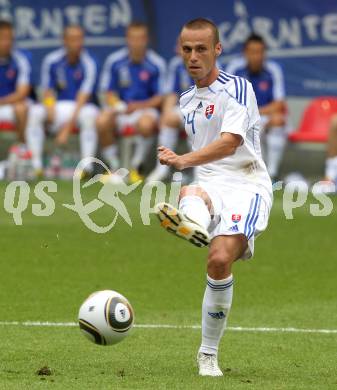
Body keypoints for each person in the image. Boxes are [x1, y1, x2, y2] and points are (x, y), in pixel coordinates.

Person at [154, 19, 272, 377]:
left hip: (247, 184)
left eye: (201, 49)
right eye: (187, 49)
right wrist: (190, 166)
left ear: (217, 50)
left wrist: (181, 160)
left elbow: (230, 142)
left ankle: (208, 354)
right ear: (180, 51)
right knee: (193, 191)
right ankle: (192, 222)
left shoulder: (238, 88)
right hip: (210, 182)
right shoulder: (186, 100)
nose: (193, 56)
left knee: (219, 259)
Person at [96, 22, 166, 183]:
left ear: (146, 40)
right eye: (133, 38)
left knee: (146, 123)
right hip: (122, 109)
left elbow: (160, 98)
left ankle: (136, 167)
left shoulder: (156, 63)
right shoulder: (114, 61)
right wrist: (117, 105)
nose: (136, 42)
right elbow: (108, 92)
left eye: (140, 38)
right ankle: (114, 168)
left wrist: (138, 107)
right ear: (127, 39)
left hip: (145, 109)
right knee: (102, 120)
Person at [26, 25, 99, 176]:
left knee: (90, 114)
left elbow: (83, 97)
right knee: (35, 111)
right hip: (58, 107)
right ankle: (36, 165)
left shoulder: (89, 62)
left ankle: (86, 168)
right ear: (64, 41)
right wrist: (50, 109)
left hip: (80, 108)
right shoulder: (52, 60)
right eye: (72, 39)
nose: (76, 43)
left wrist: (66, 129)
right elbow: (47, 91)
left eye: (79, 39)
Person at [225, 33, 287, 181]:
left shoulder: (273, 70)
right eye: (252, 52)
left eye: (260, 52)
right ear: (245, 53)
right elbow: (227, 100)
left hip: (263, 115)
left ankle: (272, 174)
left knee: (278, 121)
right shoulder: (235, 69)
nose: (257, 56)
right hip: (241, 117)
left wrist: (256, 114)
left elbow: (279, 104)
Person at [146, 51, 194, 182]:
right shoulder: (177, 64)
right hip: (185, 109)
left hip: (207, 110)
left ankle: (200, 173)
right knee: (169, 119)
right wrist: (165, 113)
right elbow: (172, 93)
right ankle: (162, 169)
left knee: (197, 124)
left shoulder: (211, 64)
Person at [0, 19, 31, 146]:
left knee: (21, 108)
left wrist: (1, 102)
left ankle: (21, 149)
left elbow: (22, 93)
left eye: (10, 38)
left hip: (12, 105)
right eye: (2, 38)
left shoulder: (21, 59)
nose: (6, 42)